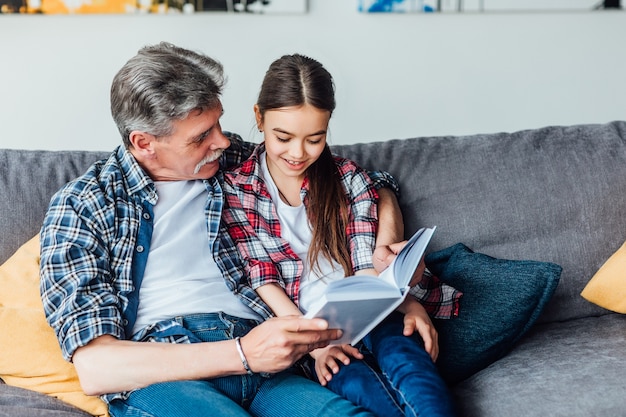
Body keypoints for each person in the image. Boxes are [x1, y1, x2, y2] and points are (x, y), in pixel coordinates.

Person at [39, 42, 406, 417]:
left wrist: (387, 236)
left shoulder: (233, 161)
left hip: (270, 365)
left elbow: (367, 180)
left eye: (218, 123)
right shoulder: (84, 205)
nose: (222, 140)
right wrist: (243, 353)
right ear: (144, 143)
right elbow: (97, 368)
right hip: (171, 369)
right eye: (201, 136)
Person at [221, 54, 461, 417]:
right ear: (259, 118)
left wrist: (405, 301)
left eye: (314, 139)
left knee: (413, 372)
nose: (298, 153)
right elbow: (262, 277)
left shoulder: (348, 178)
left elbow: (367, 266)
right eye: (283, 137)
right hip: (313, 331)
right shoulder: (237, 191)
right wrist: (313, 346)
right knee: (367, 392)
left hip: (374, 312)